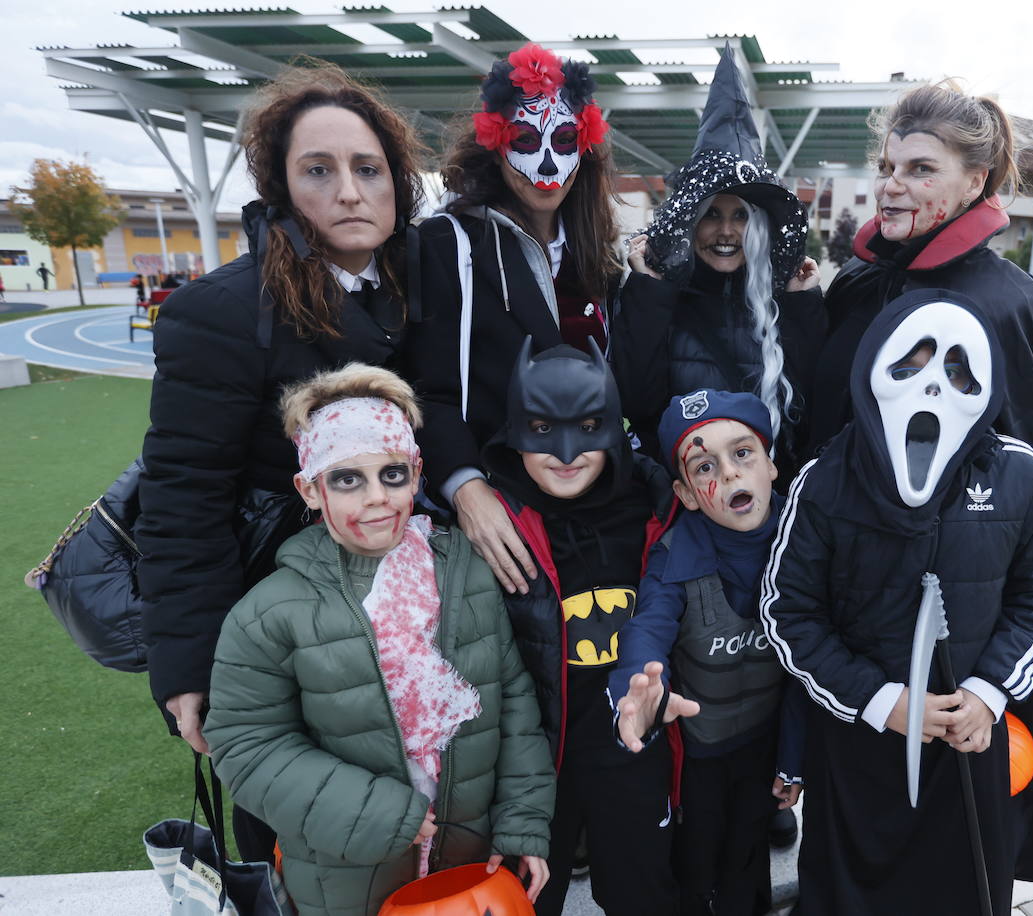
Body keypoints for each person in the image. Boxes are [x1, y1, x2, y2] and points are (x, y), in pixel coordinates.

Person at [135, 62, 426, 863]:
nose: (350, 191)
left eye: (369, 169)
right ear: (279, 187)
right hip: (286, 635)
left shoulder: (422, 292)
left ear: (399, 183)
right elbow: (184, 498)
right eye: (319, 170)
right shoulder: (222, 312)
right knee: (303, 842)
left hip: (410, 617)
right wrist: (189, 666)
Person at [204, 364, 554, 916]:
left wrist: (523, 823)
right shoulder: (269, 612)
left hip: (470, 866)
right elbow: (246, 746)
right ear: (310, 490)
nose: (376, 499)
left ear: (417, 475)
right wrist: (383, 815)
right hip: (346, 880)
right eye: (347, 479)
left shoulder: (465, 573)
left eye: (392, 475)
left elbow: (512, 701)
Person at [761, 291, 1033, 913]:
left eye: (957, 370)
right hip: (859, 749)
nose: (933, 387)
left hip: (968, 743)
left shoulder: (1020, 476)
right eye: (913, 363)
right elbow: (788, 614)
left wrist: (989, 693)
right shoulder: (823, 482)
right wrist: (882, 701)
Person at [407, 43, 620, 601]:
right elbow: (424, 387)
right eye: (527, 141)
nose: (547, 164)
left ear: (587, 145)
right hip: (498, 521)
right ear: (496, 145)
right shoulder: (448, 245)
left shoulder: (599, 257)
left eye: (565, 141)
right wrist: (465, 488)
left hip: (591, 515)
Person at [484, 341, 679, 916]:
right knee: (526, 897)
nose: (566, 452)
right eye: (543, 428)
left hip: (632, 752)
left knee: (641, 890)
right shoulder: (496, 523)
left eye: (587, 427)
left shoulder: (656, 505)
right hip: (534, 763)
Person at [808, 81, 1033, 488]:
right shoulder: (857, 275)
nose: (890, 186)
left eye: (921, 169)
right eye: (886, 168)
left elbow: (1029, 463)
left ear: (974, 183)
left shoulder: (1009, 299)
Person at [612, 389, 806, 916]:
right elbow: (646, 632)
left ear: (770, 466)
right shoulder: (676, 555)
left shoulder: (805, 544)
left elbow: (810, 668)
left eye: (743, 453)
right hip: (700, 750)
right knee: (698, 855)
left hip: (766, 740)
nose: (729, 475)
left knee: (749, 848)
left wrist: (793, 758)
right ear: (689, 493)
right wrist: (636, 692)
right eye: (705, 465)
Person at [615, 50, 825, 484]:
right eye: (712, 214)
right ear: (691, 223)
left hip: (769, 506)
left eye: (741, 215)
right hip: (683, 505)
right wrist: (648, 294)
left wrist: (803, 306)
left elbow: (812, 410)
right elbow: (635, 404)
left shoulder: (785, 301)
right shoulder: (660, 300)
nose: (726, 231)